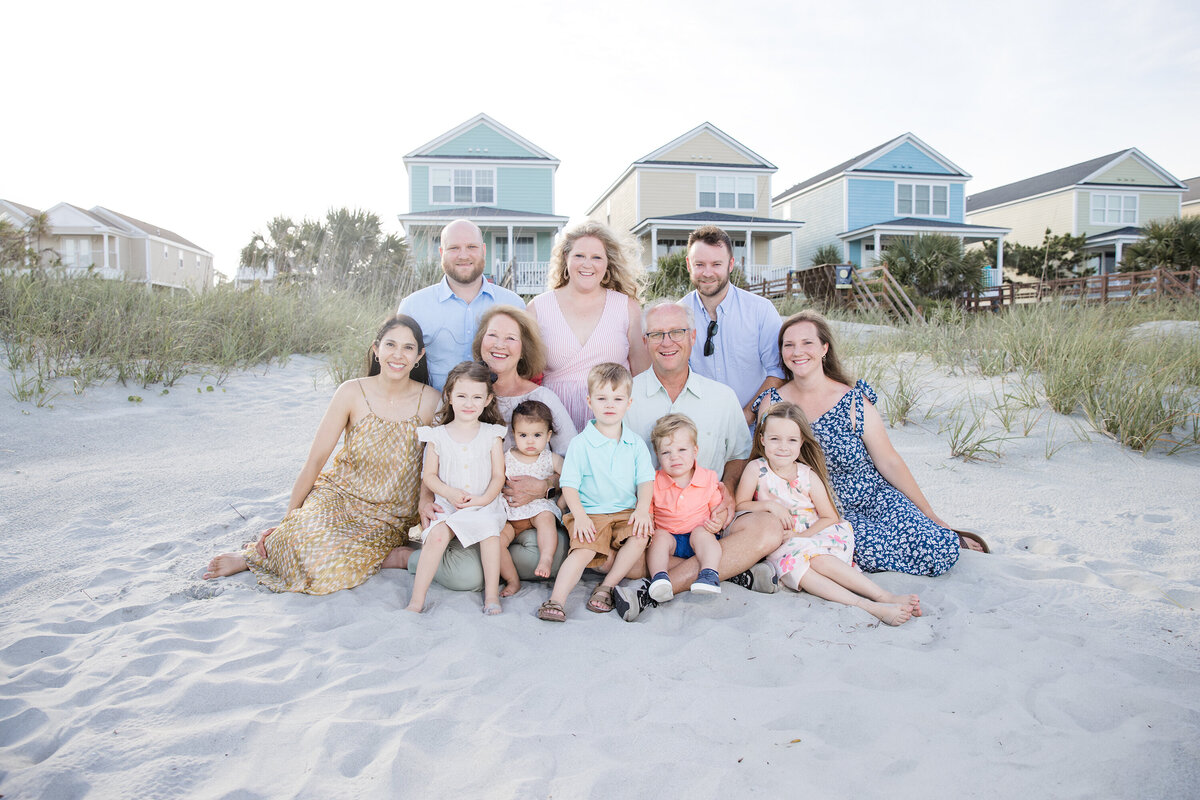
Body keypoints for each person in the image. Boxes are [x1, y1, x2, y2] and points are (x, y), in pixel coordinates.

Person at [203, 315, 439, 593]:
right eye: (390, 345)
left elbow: (433, 466)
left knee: (327, 568)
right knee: (302, 535)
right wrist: (288, 522)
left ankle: (385, 555)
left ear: (419, 355)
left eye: (408, 348)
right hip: (338, 496)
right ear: (376, 349)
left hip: (387, 515)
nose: (398, 355)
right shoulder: (352, 391)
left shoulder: (432, 401)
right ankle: (250, 557)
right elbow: (316, 461)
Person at [752, 310, 978, 576]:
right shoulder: (772, 402)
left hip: (874, 495)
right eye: (788, 345)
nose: (797, 351)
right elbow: (760, 463)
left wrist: (930, 514)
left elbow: (889, 461)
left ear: (824, 348)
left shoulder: (853, 400)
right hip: (823, 507)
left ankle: (945, 534)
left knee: (938, 549)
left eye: (807, 343)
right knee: (870, 551)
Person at [614, 301, 783, 622]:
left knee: (768, 529)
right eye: (657, 334)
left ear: (692, 337)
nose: (667, 342)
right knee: (619, 555)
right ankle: (733, 570)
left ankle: (651, 589)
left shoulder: (722, 397)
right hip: (654, 524)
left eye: (676, 332)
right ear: (645, 341)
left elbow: (738, 455)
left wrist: (729, 492)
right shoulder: (625, 398)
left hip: (711, 519)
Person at [736, 403, 920, 626]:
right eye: (775, 439)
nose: (783, 447)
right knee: (799, 567)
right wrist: (771, 507)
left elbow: (829, 516)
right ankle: (870, 606)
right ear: (763, 439)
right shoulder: (756, 469)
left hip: (814, 535)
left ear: (802, 442)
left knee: (816, 560)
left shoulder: (807, 475)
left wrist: (803, 537)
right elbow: (740, 505)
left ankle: (883, 596)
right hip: (782, 542)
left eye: (792, 440)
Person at [536, 363, 654, 622]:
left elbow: (645, 480)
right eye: (602, 398)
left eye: (617, 399)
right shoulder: (581, 444)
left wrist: (643, 509)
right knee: (584, 550)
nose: (609, 405)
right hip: (591, 513)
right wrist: (579, 516)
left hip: (625, 512)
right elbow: (569, 485)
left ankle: (607, 587)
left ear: (629, 403)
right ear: (590, 401)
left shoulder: (635, 444)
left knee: (640, 535)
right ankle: (556, 599)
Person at [526, 221, 650, 430]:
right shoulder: (538, 308)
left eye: (596, 257)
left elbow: (642, 374)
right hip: (552, 422)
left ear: (607, 263)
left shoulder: (627, 308)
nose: (587, 264)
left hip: (612, 424)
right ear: (566, 258)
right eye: (579, 256)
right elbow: (526, 375)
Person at [408, 361, 508, 614]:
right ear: (449, 396)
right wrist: (449, 493)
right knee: (438, 535)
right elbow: (429, 476)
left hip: (482, 505)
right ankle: (416, 601)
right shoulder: (437, 435)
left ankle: (492, 597)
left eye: (477, 397)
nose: (469, 403)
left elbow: (498, 476)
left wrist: (483, 500)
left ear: (488, 400)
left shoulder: (491, 434)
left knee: (489, 534)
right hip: (447, 503)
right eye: (461, 396)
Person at [398, 218, 524, 391]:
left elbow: (525, 366)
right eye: (454, 248)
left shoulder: (514, 304)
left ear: (483, 250)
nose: (463, 255)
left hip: (501, 413)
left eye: (471, 247)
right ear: (441, 252)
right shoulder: (413, 307)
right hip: (434, 414)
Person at [681, 225, 785, 423]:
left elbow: (778, 372)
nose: (707, 273)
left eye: (716, 264)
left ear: (730, 264)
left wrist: (745, 416)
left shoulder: (760, 310)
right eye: (699, 264)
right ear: (688, 264)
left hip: (755, 430)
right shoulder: (678, 315)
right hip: (700, 429)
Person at [645, 414, 725, 602]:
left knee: (703, 534)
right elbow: (647, 511)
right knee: (659, 537)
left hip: (697, 537)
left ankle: (709, 573)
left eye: (682, 449)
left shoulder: (707, 478)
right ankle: (660, 577)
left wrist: (718, 521)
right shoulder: (653, 482)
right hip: (670, 538)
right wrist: (648, 521)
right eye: (666, 453)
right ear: (658, 455)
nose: (675, 457)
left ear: (695, 450)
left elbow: (717, 508)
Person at [499, 400, 564, 597]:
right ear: (513, 433)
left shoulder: (550, 458)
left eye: (537, 435)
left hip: (538, 509)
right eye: (523, 435)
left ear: (548, 435)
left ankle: (545, 557)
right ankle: (512, 580)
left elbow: (570, 479)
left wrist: (560, 504)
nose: (530, 441)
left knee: (545, 518)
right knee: (496, 542)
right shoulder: (506, 457)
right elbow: (496, 480)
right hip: (511, 513)